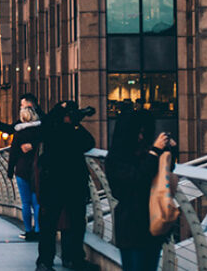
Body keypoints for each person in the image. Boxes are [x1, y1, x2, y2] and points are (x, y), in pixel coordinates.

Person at [105, 109, 177, 271]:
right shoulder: (116, 158)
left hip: (151, 222)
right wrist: (154, 152)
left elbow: (164, 173)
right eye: (137, 133)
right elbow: (137, 179)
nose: (141, 137)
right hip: (131, 225)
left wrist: (169, 151)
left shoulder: (145, 153)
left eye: (144, 133)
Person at [35, 101, 97, 271]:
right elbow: (89, 142)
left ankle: (45, 262)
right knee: (74, 223)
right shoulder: (61, 129)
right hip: (71, 183)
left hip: (55, 183)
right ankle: (72, 259)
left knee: (51, 223)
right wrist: (74, 124)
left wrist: (69, 120)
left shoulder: (50, 128)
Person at [7, 105, 41, 241]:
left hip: (21, 170)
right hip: (36, 169)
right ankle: (38, 230)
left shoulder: (19, 133)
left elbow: (13, 153)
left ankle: (28, 231)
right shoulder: (40, 132)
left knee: (25, 203)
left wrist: (10, 171)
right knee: (36, 202)